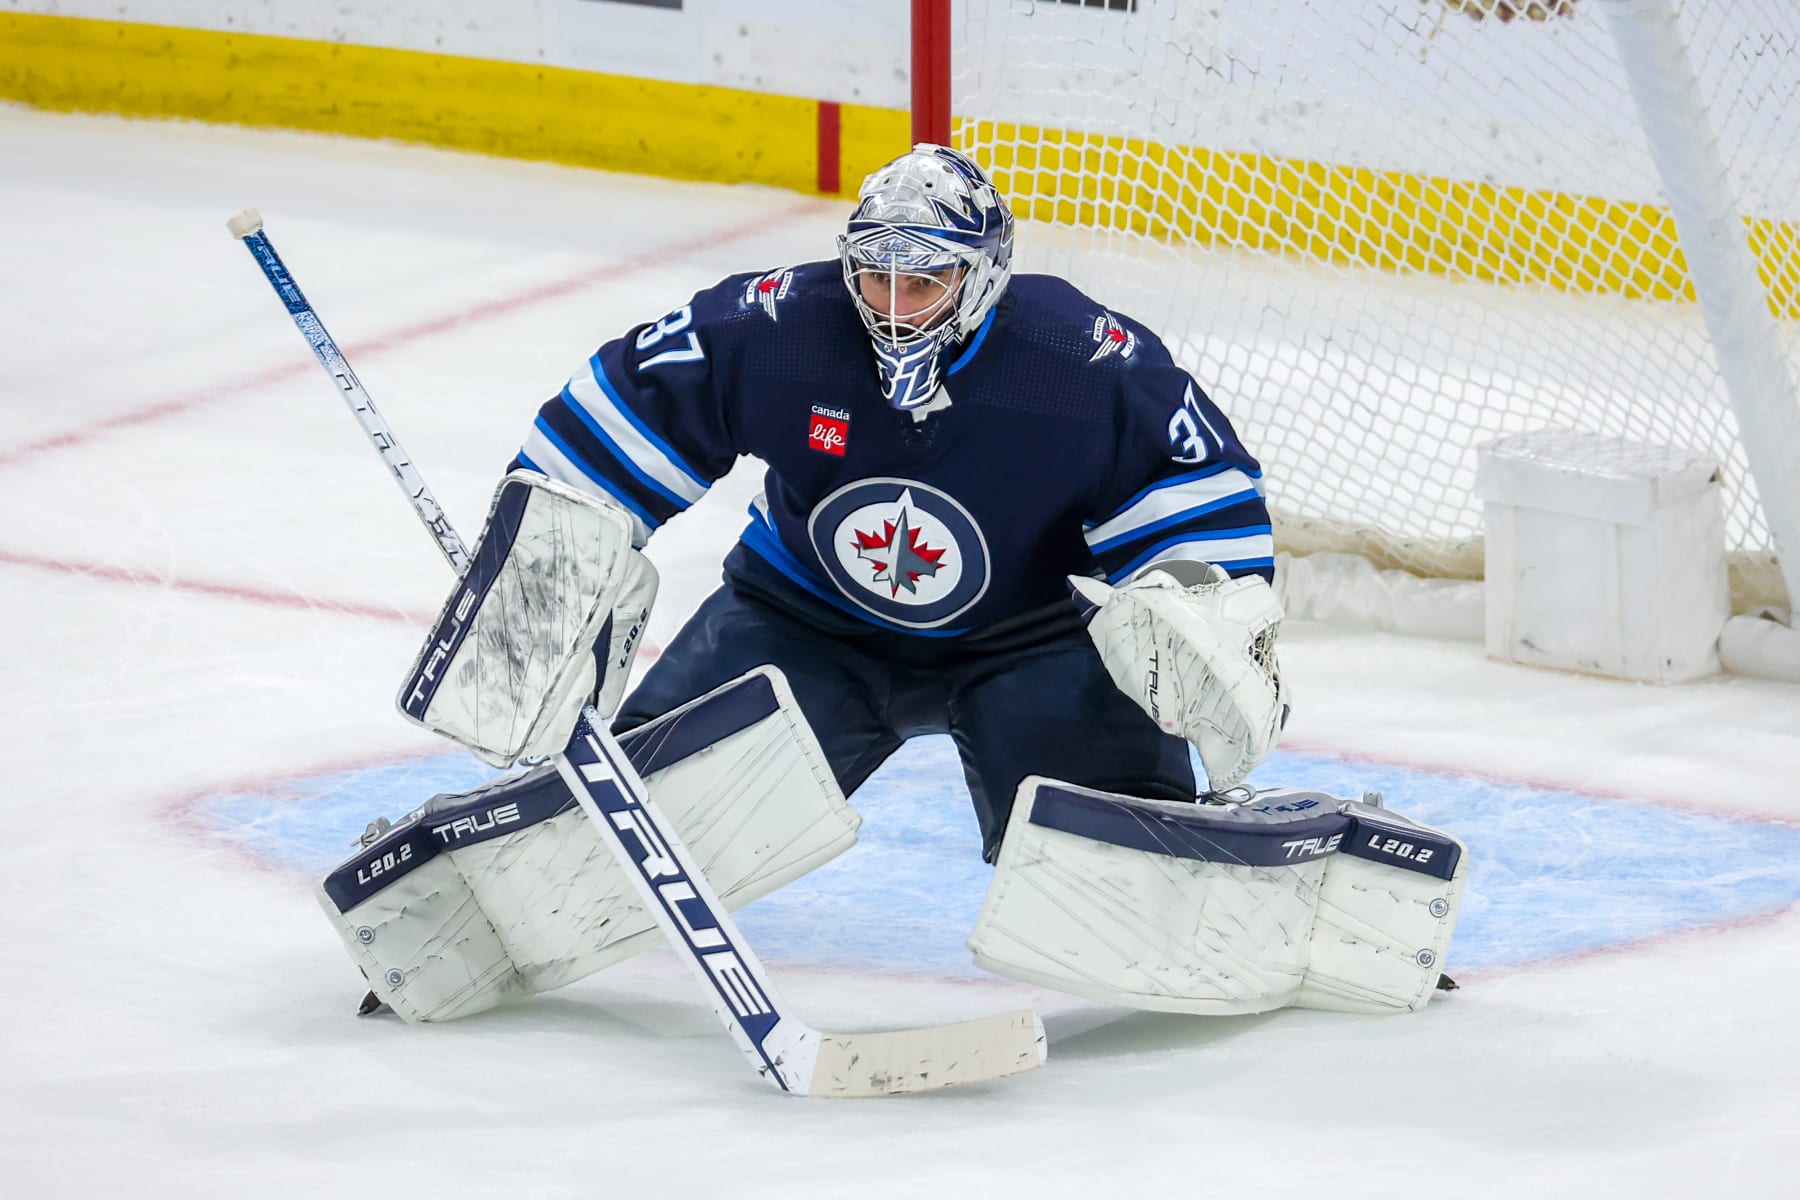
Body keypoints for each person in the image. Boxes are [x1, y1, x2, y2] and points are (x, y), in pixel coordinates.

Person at [514, 143, 1285, 862]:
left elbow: (1196, 495)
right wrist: (544, 557)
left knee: (1115, 863)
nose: (891, 305)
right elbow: (629, 408)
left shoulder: (1079, 362)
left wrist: (1194, 613)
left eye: (921, 281)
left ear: (980, 276)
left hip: (1035, 640)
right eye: (875, 276)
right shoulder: (783, 327)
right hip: (804, 620)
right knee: (639, 823)